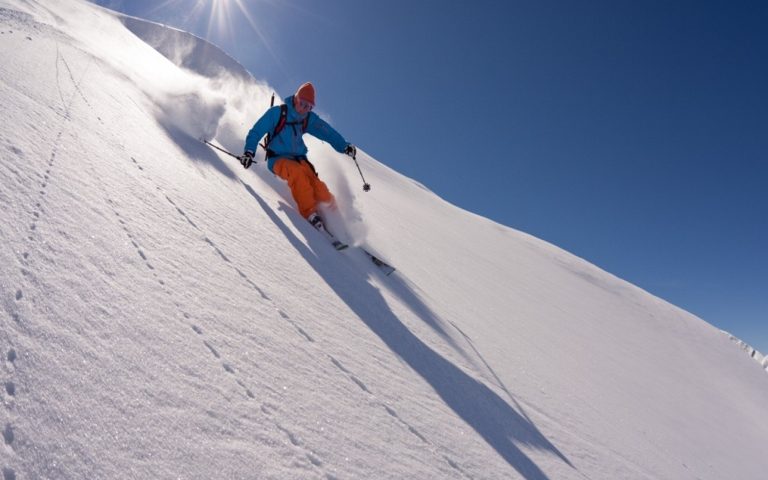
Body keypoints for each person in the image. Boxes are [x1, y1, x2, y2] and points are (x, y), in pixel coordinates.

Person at [241, 82, 357, 230]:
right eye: (302, 104)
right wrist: (249, 151)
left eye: (309, 107)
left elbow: (327, 132)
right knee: (298, 176)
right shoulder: (278, 113)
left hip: (301, 159)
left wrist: (344, 146)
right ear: (296, 100)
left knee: (319, 188)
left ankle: (337, 219)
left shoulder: (307, 119)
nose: (304, 109)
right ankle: (310, 213)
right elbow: (256, 131)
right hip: (278, 158)